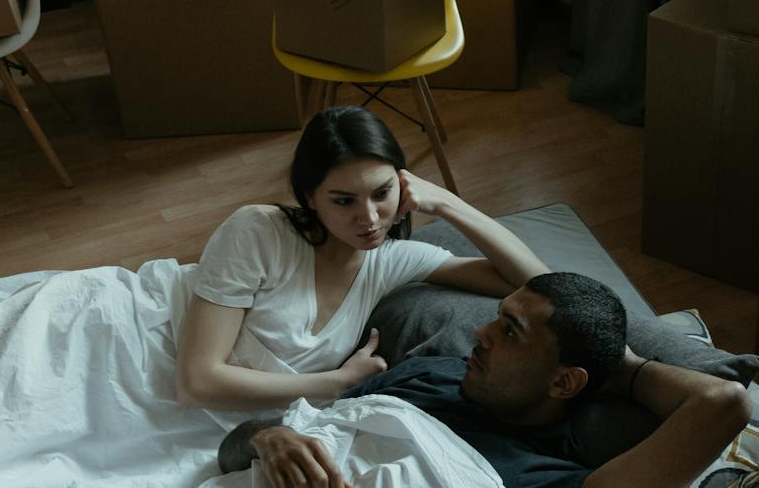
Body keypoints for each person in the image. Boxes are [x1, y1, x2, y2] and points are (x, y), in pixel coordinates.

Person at [217, 272, 753, 488]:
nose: (480, 333)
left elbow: (724, 403)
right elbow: (233, 451)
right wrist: (272, 438)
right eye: (497, 317)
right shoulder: (430, 374)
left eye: (510, 331)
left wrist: (627, 367)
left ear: (565, 383)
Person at [176, 106, 549, 411]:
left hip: (238, 419)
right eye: (344, 200)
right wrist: (337, 383)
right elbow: (197, 382)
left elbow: (543, 288)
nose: (369, 218)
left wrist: (448, 203)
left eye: (381, 192)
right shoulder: (258, 231)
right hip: (151, 363)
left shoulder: (392, 262)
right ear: (310, 197)